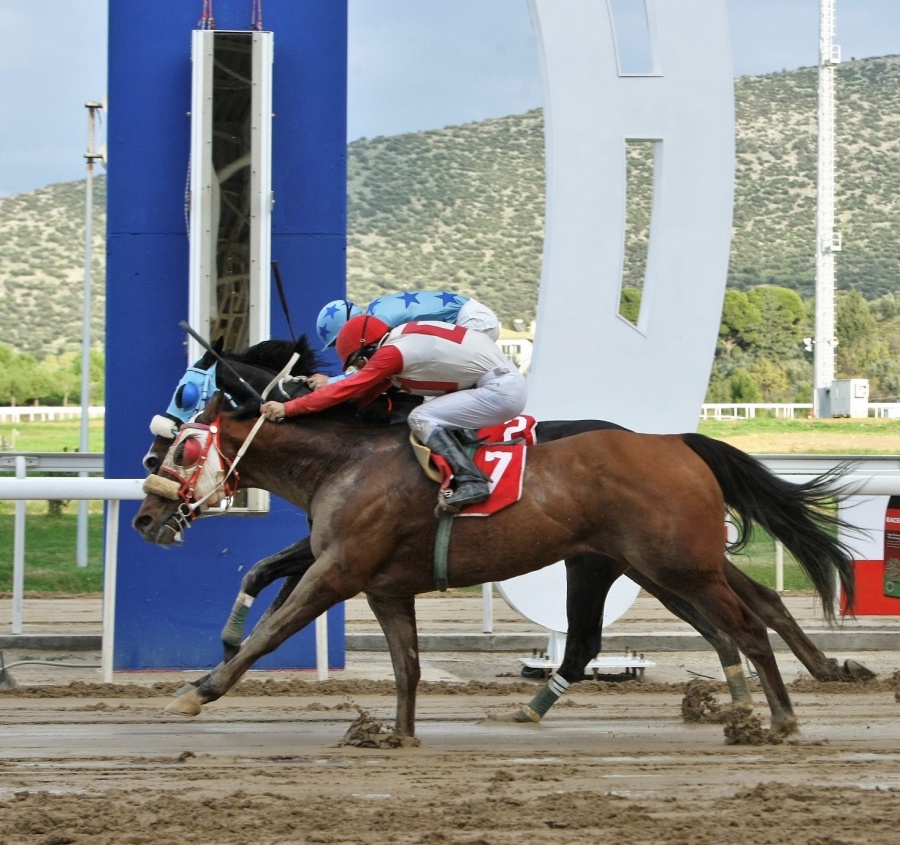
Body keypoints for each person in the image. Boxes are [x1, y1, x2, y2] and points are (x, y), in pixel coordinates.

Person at [261, 314, 527, 512]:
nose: (362, 367)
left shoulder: (392, 353)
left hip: (498, 390)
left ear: (369, 346)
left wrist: (288, 408)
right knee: (428, 412)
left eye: (360, 361)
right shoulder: (402, 337)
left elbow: (350, 387)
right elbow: (369, 392)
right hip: (497, 382)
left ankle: (472, 481)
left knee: (421, 417)